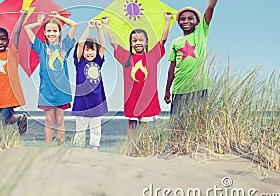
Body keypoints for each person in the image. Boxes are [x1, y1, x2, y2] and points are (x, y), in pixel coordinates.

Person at [164, 0, 229, 114]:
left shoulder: (201, 33)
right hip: (179, 89)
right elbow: (172, 68)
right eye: (182, 19)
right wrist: (167, 89)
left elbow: (211, 6)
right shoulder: (175, 42)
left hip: (199, 88)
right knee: (178, 124)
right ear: (178, 22)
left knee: (198, 122)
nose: (186, 21)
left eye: (190, 18)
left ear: (197, 22)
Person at [103, 13, 172, 138]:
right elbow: (113, 43)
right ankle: (131, 149)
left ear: (146, 42)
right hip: (132, 99)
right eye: (134, 40)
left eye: (141, 40)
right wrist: (106, 25)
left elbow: (163, 40)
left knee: (145, 128)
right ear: (130, 43)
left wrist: (167, 21)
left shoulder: (151, 57)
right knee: (132, 126)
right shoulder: (126, 57)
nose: (138, 43)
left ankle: (143, 151)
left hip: (147, 100)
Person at [24, 11, 77, 144]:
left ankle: (61, 147)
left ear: (59, 32)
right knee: (49, 121)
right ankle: (47, 148)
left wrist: (57, 17)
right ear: (45, 33)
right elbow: (26, 28)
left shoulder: (64, 47)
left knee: (59, 121)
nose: (51, 33)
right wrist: (39, 23)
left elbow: (74, 25)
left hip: (61, 90)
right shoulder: (41, 47)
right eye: (48, 31)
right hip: (46, 91)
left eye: (55, 30)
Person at [0, 10, 28, 135]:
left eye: (3, 40)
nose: (0, 42)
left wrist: (22, 16)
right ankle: (2, 145)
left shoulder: (12, 54)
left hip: (9, 96)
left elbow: (16, 32)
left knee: (3, 121)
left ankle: (20, 117)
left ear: (7, 40)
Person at [72, 20, 108, 151]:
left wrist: (99, 29)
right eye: (87, 50)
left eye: (92, 49)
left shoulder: (98, 61)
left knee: (95, 127)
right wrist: (88, 28)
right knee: (80, 128)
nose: (89, 52)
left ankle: (94, 147)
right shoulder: (79, 62)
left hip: (96, 100)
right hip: (82, 100)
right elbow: (80, 44)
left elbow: (102, 46)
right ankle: (78, 148)